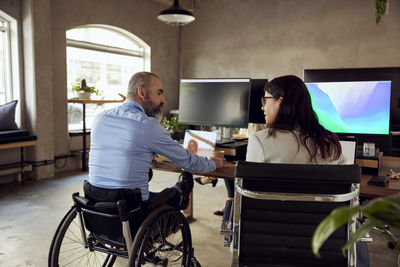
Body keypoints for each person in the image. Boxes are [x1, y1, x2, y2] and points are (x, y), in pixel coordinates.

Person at [86, 71, 225, 220]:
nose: (163, 99)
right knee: (175, 192)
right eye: (159, 93)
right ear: (141, 92)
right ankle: (181, 192)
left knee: (147, 181)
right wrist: (212, 163)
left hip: (96, 208)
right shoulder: (147, 125)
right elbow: (188, 162)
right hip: (132, 212)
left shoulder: (100, 118)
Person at [246, 75, 344, 164]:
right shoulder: (330, 143)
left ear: (279, 101)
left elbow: (248, 182)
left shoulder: (259, 141)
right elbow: (347, 178)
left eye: (265, 100)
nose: (263, 107)